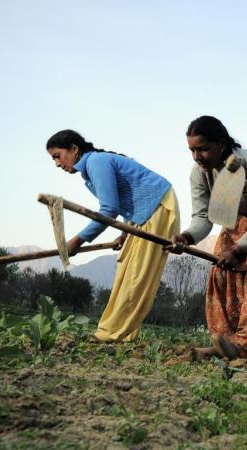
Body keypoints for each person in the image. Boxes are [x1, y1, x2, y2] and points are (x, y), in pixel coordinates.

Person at [170, 116, 247, 359]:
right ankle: (225, 342)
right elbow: (203, 217)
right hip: (237, 217)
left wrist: (240, 250)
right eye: (192, 150)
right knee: (221, 273)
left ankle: (244, 347)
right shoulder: (200, 173)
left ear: (222, 144)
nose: (197, 156)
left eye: (204, 149)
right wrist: (187, 237)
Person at [46, 129, 179, 342]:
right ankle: (119, 332)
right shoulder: (92, 167)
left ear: (73, 149)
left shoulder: (96, 162)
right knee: (127, 266)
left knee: (136, 274)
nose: (57, 163)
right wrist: (124, 234)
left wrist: (78, 240)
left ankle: (111, 333)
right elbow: (129, 200)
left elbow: (109, 209)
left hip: (157, 206)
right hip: (144, 212)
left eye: (57, 156)